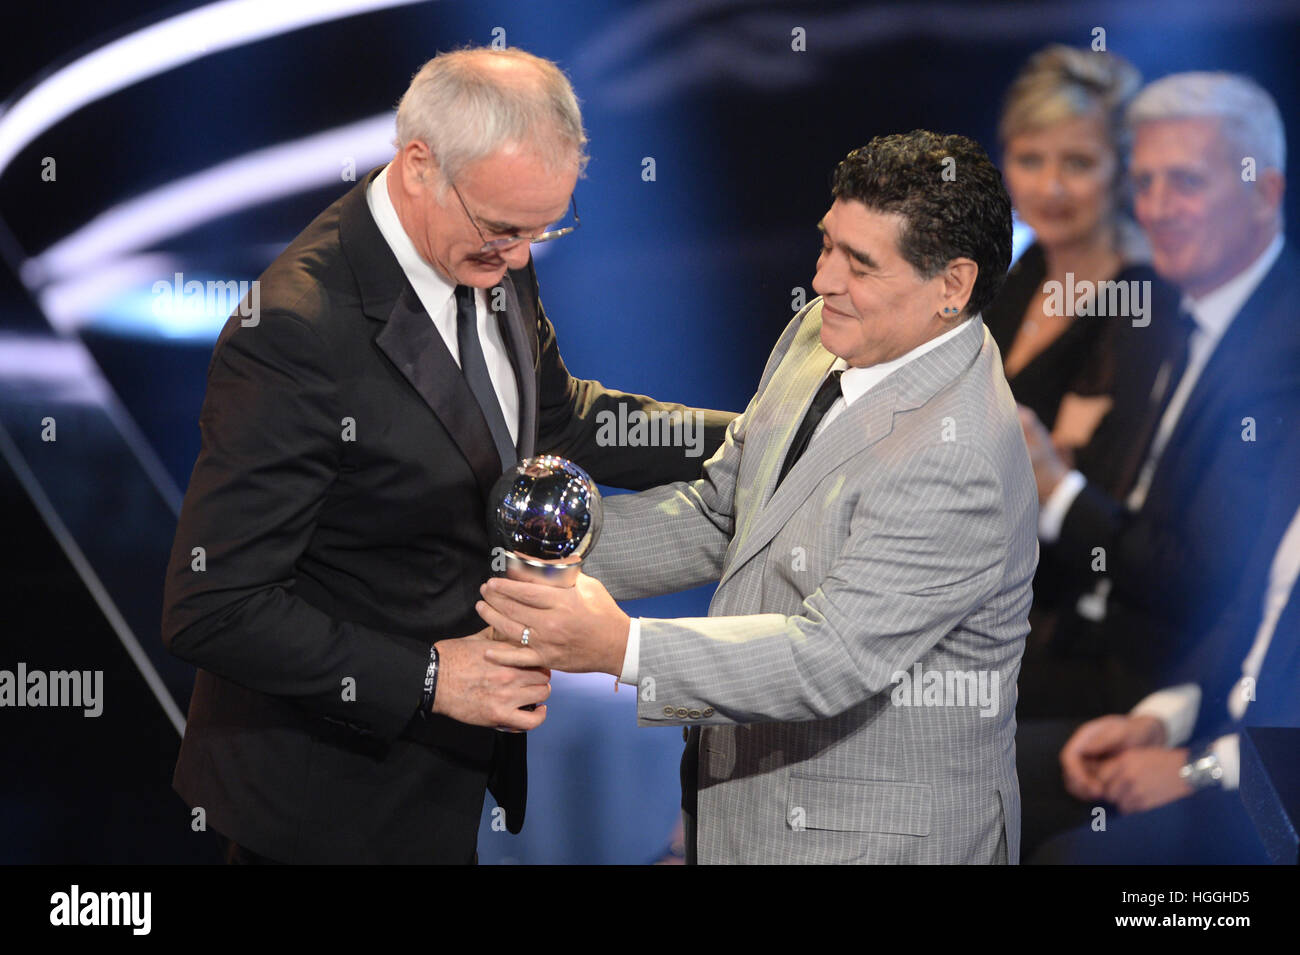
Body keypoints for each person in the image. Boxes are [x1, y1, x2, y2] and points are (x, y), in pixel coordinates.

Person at [160, 47, 734, 864]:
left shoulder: (489, 247)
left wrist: (755, 439)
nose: (524, 255)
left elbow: (558, 419)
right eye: (505, 227)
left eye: (544, 228)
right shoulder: (297, 330)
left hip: (443, 781)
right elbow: (213, 603)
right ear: (420, 165)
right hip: (326, 804)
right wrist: (432, 677)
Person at [478, 131, 1038, 864]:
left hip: (871, 840)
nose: (824, 279)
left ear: (952, 287)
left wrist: (621, 646)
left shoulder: (959, 458)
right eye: (827, 244)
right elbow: (723, 512)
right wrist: (525, 564)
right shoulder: (824, 331)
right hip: (750, 809)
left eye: (860, 264)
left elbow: (828, 657)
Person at [1014, 71, 1300, 857]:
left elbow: (1208, 583)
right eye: (1144, 181)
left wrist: (1055, 486)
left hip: (1162, 662)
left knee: (952, 747)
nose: (1157, 207)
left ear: (1264, 191)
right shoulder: (1168, 311)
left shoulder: (1282, 355)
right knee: (892, 709)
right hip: (1119, 655)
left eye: (1186, 182)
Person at [988, 45, 1160, 453]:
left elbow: (1076, 475)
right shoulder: (1021, 271)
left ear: (1122, 169)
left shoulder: (1138, 300)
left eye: (1078, 163)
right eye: (1030, 160)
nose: (1050, 187)